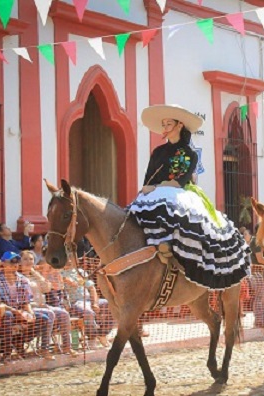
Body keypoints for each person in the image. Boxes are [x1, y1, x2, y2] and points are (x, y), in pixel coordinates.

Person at [129, 105, 250, 290]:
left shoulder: (189, 153)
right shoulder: (158, 152)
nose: (165, 127)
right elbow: (149, 178)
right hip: (154, 191)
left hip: (178, 191)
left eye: (168, 123)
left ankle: (172, 248)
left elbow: (181, 181)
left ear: (179, 125)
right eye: (163, 124)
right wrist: (147, 188)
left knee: (178, 212)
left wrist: (157, 187)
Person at [0, 251, 54, 361]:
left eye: (17, 262)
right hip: (4, 312)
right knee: (8, 315)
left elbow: (26, 301)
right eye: (11, 262)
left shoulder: (22, 279)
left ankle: (42, 349)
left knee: (43, 319)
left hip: (20, 311)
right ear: (3, 263)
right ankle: (7, 353)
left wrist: (30, 314)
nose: (14, 265)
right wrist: (16, 312)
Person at [20, 250, 77, 357]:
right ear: (20, 261)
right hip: (29, 307)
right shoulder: (18, 276)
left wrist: (35, 273)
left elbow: (47, 288)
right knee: (50, 314)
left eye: (31, 259)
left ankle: (67, 347)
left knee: (64, 313)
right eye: (25, 259)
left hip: (42, 306)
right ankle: (44, 349)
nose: (29, 262)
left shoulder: (35, 275)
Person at [61, 259, 113, 348]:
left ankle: (102, 334)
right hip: (75, 303)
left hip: (88, 299)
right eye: (66, 258)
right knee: (88, 312)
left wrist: (95, 303)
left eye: (71, 258)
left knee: (109, 304)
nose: (69, 261)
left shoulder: (80, 272)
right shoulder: (60, 273)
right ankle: (91, 338)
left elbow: (92, 288)